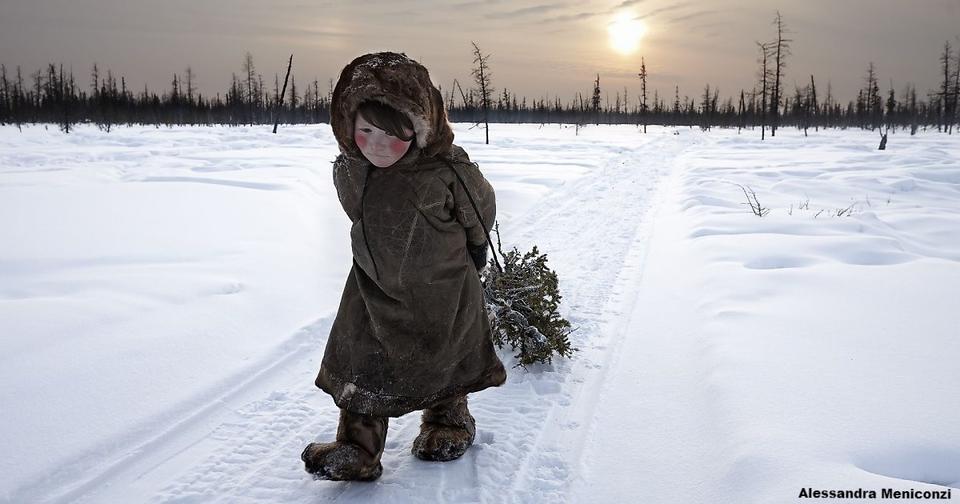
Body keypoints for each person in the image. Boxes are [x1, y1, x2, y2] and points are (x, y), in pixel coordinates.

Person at [301, 52, 506, 482]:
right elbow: (361, 216)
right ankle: (358, 450)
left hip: (442, 288)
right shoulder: (352, 171)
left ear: (421, 127)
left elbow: (479, 214)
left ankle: (447, 423)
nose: (376, 145)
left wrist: (473, 255)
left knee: (444, 359)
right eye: (366, 131)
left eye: (393, 134)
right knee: (363, 363)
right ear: (347, 126)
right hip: (373, 290)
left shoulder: (448, 171)